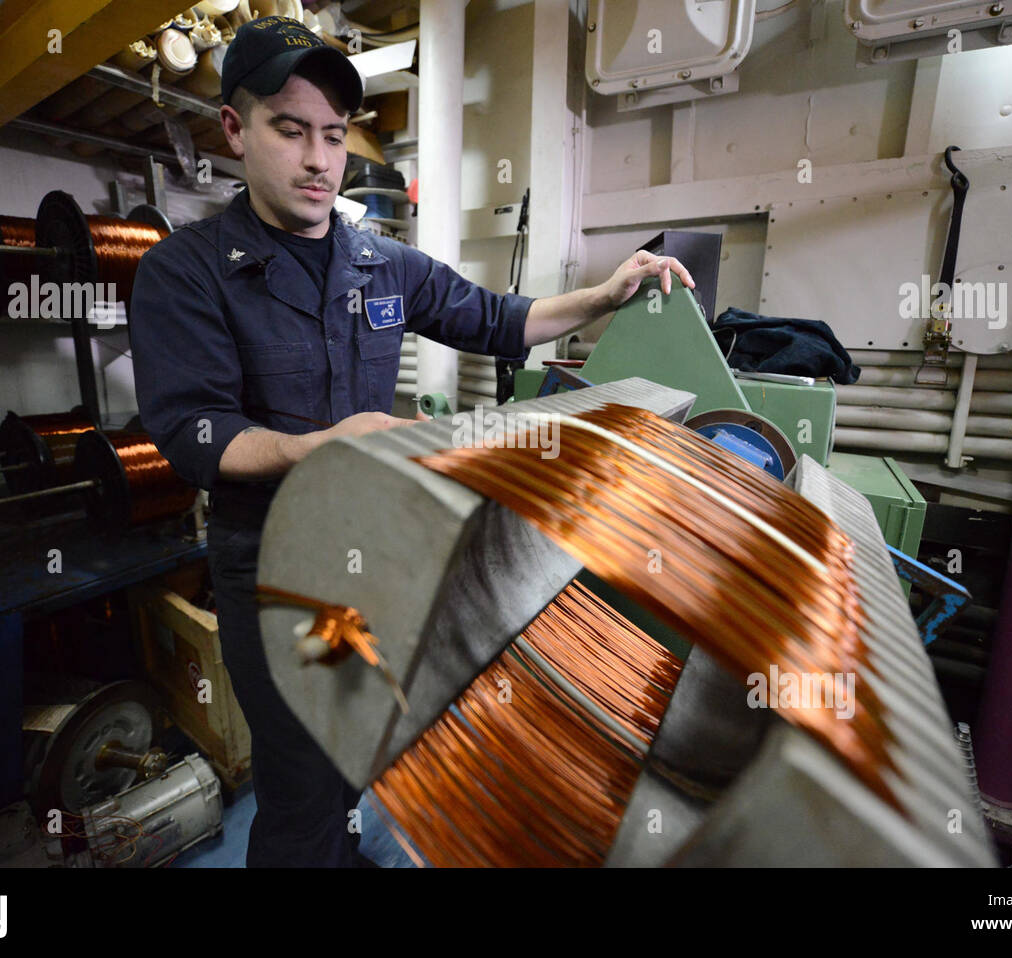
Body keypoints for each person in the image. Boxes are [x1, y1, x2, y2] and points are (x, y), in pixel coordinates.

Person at [129, 15, 694, 867]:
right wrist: (323, 447)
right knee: (302, 786)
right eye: (290, 130)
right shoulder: (187, 271)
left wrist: (604, 295)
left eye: (332, 135)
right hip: (273, 569)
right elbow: (194, 433)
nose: (321, 160)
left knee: (365, 748)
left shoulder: (380, 261)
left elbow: (500, 321)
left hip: (376, 555)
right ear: (236, 131)